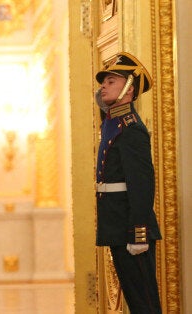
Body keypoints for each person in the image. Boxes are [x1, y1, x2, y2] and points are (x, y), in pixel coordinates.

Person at [94, 52, 162, 313]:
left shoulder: (130, 128)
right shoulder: (112, 122)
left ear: (129, 90)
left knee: (144, 302)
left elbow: (142, 184)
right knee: (135, 301)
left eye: (111, 81)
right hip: (116, 222)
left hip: (130, 226)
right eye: (104, 81)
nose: (103, 86)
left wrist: (139, 231)